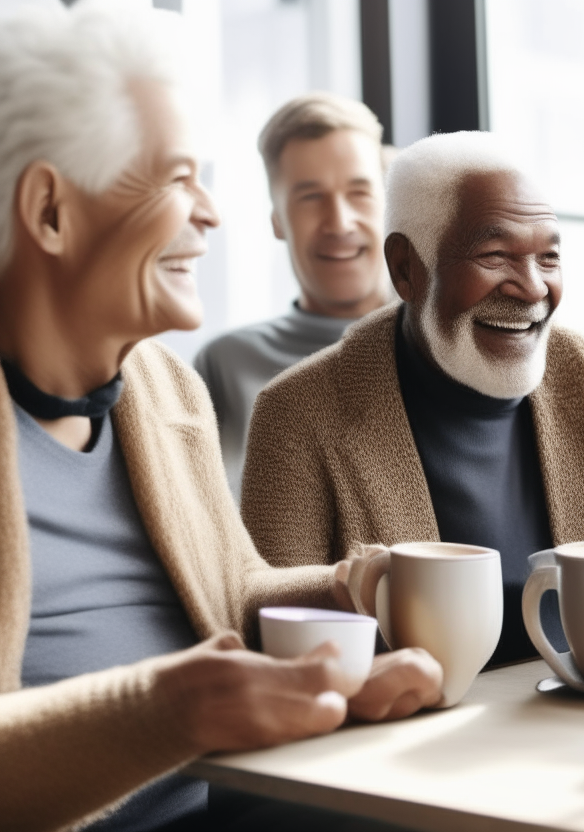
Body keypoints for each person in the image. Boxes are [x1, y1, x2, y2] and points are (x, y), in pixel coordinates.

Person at [0, 6, 441, 830]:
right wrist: (169, 711)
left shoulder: (165, 388)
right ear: (52, 211)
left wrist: (361, 591)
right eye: (176, 178)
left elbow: (231, 592)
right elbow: (180, 702)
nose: (210, 212)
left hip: (239, 802)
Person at [241, 130, 584, 668]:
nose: (532, 288)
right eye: (495, 255)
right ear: (406, 269)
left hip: (577, 720)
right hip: (395, 730)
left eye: (548, 257)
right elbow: (270, 632)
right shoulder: (298, 412)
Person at [193, 92, 394, 497]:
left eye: (359, 192)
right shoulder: (225, 365)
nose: (339, 222)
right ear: (277, 221)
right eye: (310, 197)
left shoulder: (443, 347)